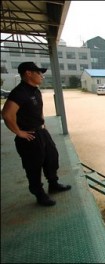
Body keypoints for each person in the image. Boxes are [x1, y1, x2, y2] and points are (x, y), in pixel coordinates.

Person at [1, 62, 71, 207]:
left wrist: (42, 122)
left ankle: (53, 183)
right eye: (38, 73)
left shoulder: (35, 90)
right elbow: (7, 114)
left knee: (52, 157)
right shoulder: (20, 92)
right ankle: (39, 194)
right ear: (28, 73)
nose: (42, 76)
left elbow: (38, 109)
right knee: (33, 166)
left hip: (41, 131)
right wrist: (18, 132)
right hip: (29, 135)